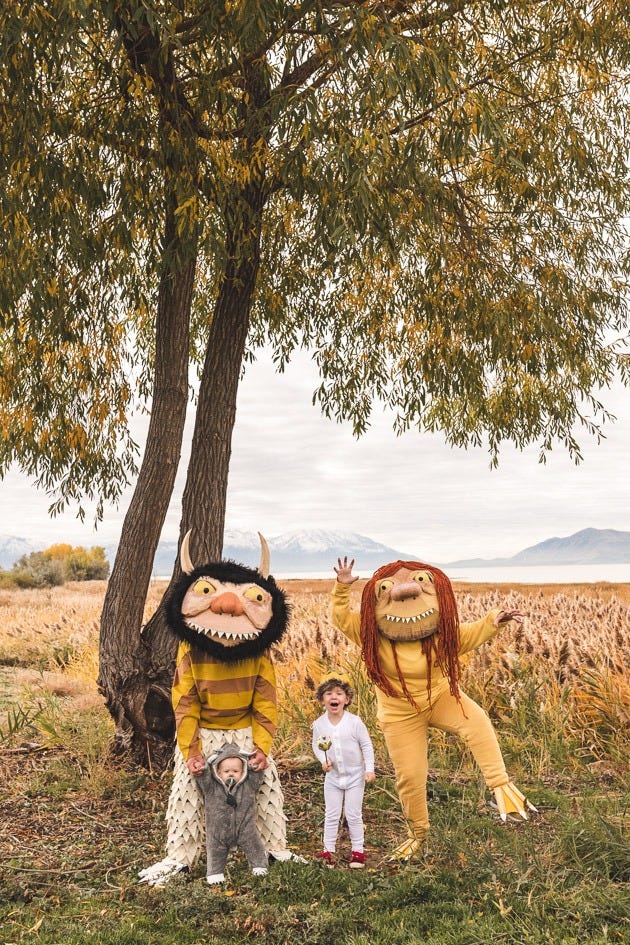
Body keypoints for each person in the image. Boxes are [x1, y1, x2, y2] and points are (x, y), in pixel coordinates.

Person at [331, 556, 536, 860]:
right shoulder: (370, 635)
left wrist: (494, 620)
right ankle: (417, 834)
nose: (404, 593)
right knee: (410, 776)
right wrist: (340, 588)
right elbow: (341, 618)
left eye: (420, 584)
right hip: (399, 713)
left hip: (441, 697)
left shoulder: (444, 634)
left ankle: (501, 787)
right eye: (388, 589)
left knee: (476, 721)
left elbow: (472, 632)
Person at [138, 532, 299, 886]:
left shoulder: (259, 651)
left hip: (244, 729)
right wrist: (192, 751)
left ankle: (274, 848)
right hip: (205, 730)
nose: (229, 605)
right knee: (188, 789)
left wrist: (261, 747)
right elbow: (185, 701)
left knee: (263, 786)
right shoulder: (190, 649)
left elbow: (265, 700)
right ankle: (179, 857)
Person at [311, 671, 376, 868]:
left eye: (339, 693)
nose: (334, 697)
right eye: (329, 693)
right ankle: (328, 851)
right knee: (331, 814)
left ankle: (358, 852)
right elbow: (316, 745)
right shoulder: (319, 724)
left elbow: (366, 745)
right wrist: (323, 760)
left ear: (346, 699)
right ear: (322, 699)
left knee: (353, 814)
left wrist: (369, 769)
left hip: (355, 776)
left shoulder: (354, 722)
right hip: (333, 777)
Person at [196, 742, 268, 885]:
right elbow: (203, 779)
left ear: (243, 772)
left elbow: (256, 779)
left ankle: (259, 867)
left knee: (254, 845)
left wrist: (255, 769)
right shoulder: (212, 787)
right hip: (218, 831)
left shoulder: (247, 785)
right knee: (215, 850)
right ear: (217, 772)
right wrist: (203, 770)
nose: (230, 774)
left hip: (245, 827)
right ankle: (215, 873)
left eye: (235, 771)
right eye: (226, 771)